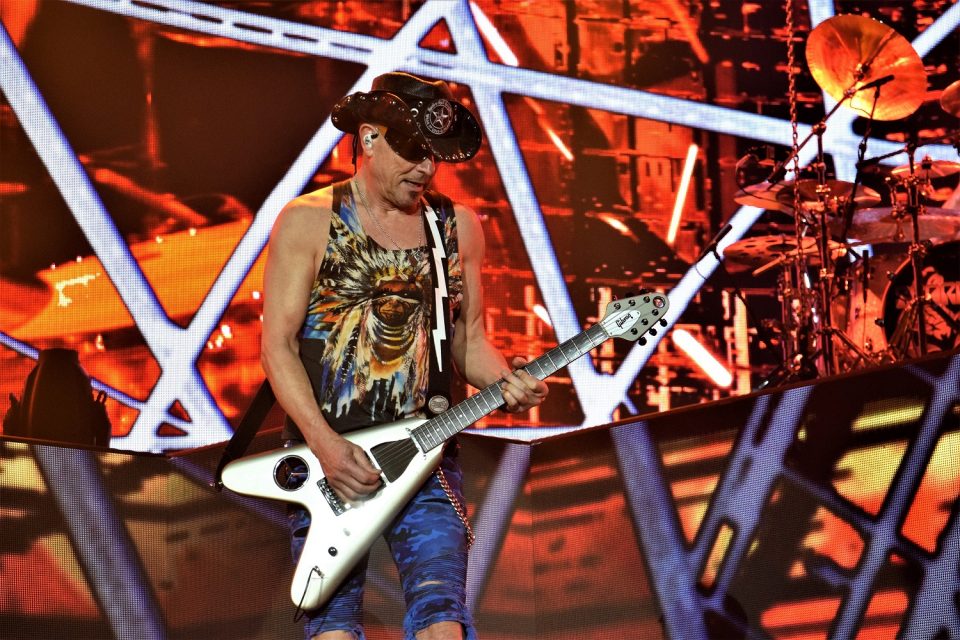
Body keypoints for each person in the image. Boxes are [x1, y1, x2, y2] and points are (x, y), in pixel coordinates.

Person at [260, 72, 549, 640]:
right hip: (329, 463)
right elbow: (277, 347)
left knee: (443, 619)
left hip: (428, 458)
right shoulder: (308, 219)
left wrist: (509, 380)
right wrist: (325, 445)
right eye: (414, 152)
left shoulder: (457, 227)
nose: (426, 168)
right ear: (369, 138)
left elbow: (470, 341)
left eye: (434, 156)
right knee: (333, 629)